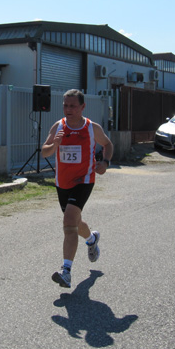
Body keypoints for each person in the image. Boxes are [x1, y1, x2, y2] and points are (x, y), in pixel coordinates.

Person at [41, 89, 114, 289]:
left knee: (68, 221)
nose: (68, 109)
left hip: (84, 180)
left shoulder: (92, 128)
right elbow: (44, 152)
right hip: (62, 183)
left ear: (82, 107)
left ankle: (66, 272)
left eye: (73, 105)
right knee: (74, 222)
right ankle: (91, 239)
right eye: (65, 105)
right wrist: (54, 144)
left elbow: (108, 144)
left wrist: (105, 162)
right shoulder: (59, 127)